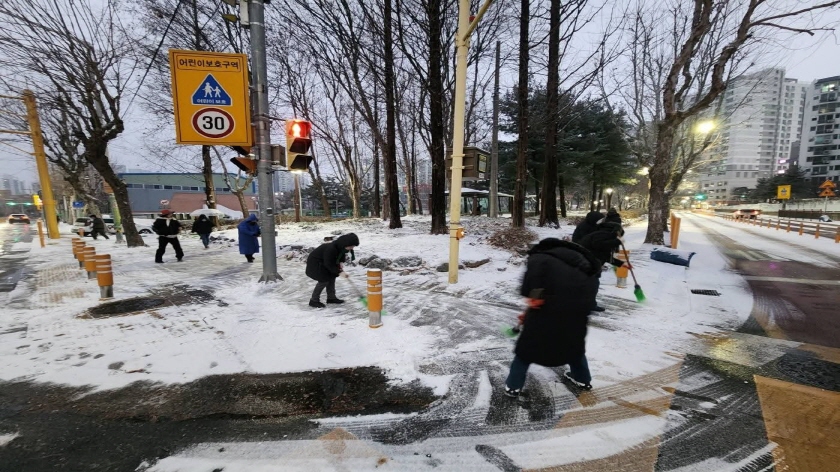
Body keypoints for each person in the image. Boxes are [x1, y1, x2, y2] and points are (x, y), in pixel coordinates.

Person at [504, 238, 601, 397]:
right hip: (577, 316)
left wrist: (534, 297)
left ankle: (513, 385)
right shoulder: (586, 264)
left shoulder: (541, 258)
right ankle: (582, 379)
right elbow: (591, 295)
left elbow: (533, 288)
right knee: (574, 348)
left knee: (526, 351)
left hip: (545, 314)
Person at [579, 222, 631, 312]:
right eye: (619, 235)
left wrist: (621, 264)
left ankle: (588, 304)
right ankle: (588, 305)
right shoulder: (603, 235)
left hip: (589, 262)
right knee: (592, 284)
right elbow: (598, 245)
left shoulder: (602, 234)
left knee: (591, 284)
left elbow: (605, 255)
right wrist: (616, 242)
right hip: (586, 262)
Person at [305, 233, 360, 308]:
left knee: (332, 277)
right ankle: (314, 300)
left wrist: (340, 263)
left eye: (353, 246)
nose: (352, 248)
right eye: (351, 246)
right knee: (323, 280)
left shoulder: (340, 247)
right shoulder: (331, 249)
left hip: (324, 263)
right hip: (316, 264)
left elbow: (340, 255)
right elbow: (329, 263)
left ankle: (331, 298)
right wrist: (340, 272)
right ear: (345, 244)